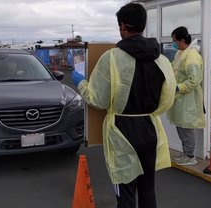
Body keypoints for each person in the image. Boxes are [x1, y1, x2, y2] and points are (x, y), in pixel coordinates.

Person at [72, 3, 176, 208]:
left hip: (122, 131)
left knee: (125, 192)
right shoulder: (161, 59)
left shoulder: (111, 58)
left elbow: (98, 99)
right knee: (148, 189)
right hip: (150, 127)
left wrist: (81, 83)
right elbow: (168, 96)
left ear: (122, 26)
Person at [167, 26, 206, 166]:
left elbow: (194, 80)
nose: (173, 43)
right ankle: (185, 152)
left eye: (174, 40)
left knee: (186, 128)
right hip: (180, 99)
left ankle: (190, 156)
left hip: (188, 98)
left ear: (182, 40)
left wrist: (178, 87)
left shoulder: (192, 56)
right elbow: (174, 68)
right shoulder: (181, 53)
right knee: (180, 126)